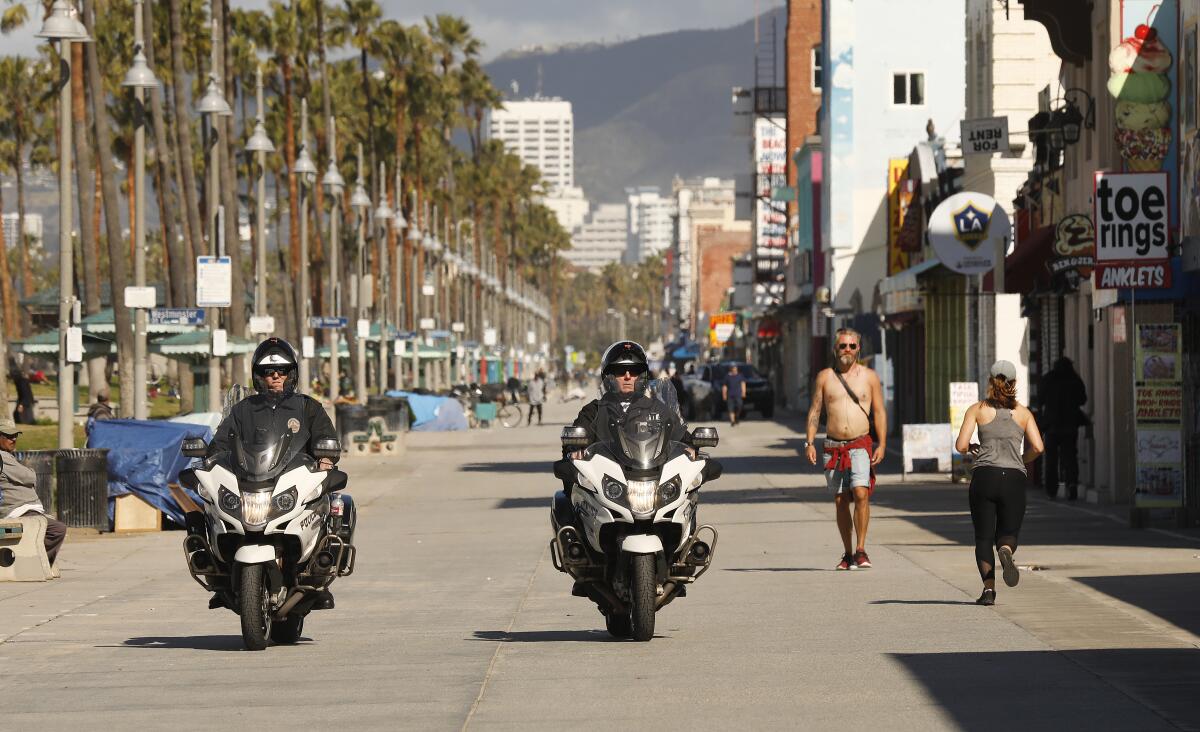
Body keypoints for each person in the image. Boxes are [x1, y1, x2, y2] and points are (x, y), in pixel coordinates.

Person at [207, 338, 341, 609]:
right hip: (253, 482)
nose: (276, 376)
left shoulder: (307, 407)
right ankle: (217, 572)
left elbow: (326, 438)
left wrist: (326, 458)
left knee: (333, 505)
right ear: (259, 376)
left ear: (291, 374)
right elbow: (221, 442)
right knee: (206, 508)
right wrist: (209, 460)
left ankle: (320, 573)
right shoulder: (243, 409)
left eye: (281, 371)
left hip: (293, 481)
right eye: (269, 372)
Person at [955, 360, 1044, 606]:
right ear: (1014, 383)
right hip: (1013, 478)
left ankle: (989, 591)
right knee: (1008, 532)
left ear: (990, 380)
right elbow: (1038, 447)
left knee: (983, 537)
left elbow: (961, 445)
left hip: (984, 476)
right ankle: (1005, 551)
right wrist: (1020, 460)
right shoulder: (1024, 413)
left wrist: (974, 447)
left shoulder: (977, 409)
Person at [806, 328, 886, 570]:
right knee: (841, 500)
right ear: (835, 349)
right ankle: (848, 553)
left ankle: (861, 549)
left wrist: (882, 443)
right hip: (833, 447)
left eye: (852, 346)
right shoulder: (825, 377)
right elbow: (815, 411)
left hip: (860, 443)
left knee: (861, 493)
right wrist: (809, 442)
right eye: (843, 346)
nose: (847, 350)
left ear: (858, 349)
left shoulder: (869, 377)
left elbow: (879, 411)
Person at [567, 341, 693, 454]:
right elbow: (571, 446)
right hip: (605, 478)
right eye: (621, 371)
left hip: (654, 477)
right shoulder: (593, 412)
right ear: (609, 375)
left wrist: (692, 450)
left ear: (642, 376)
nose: (627, 376)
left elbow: (685, 441)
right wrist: (575, 450)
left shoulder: (659, 410)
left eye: (634, 371)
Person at [0, 418, 67, 566]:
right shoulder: (3, 458)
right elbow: (30, 476)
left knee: (51, 527)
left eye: (15, 435)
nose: (13, 439)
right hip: (17, 510)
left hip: (21, 509)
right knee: (57, 529)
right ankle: (37, 563)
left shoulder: (7, 456)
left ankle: (38, 561)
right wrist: (29, 471)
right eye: (9, 436)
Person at [1038, 356, 1088, 500]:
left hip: (1052, 426)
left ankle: (1051, 489)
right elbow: (1083, 399)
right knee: (1070, 457)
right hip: (1070, 425)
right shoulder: (1074, 379)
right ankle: (1071, 484)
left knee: (1051, 459)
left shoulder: (1048, 379)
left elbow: (1040, 399)